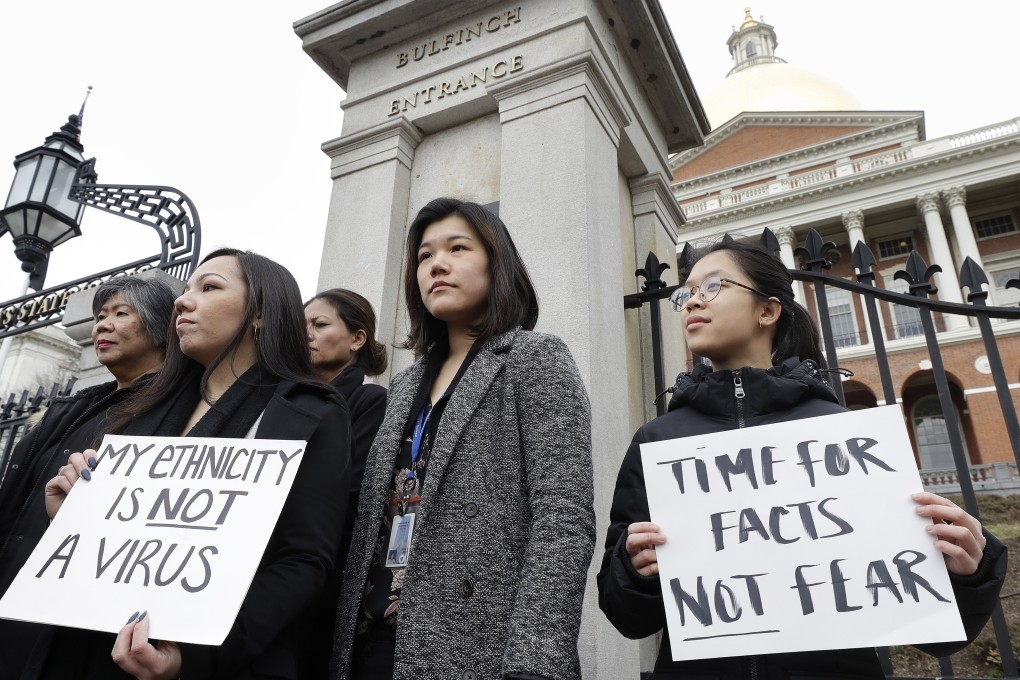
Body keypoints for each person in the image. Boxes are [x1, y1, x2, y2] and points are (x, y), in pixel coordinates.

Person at [597, 240, 1008, 679]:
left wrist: (969, 574)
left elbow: (937, 637)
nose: (692, 300)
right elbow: (627, 618)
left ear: (768, 311)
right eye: (686, 292)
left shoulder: (846, 438)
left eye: (714, 285)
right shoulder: (657, 443)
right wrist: (632, 569)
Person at [36, 248, 352, 680]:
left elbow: (303, 561)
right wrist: (73, 513)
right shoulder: (143, 409)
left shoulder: (308, 414)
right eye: (185, 290)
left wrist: (193, 658)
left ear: (260, 313)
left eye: (209, 288)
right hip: (89, 653)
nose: (183, 301)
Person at [330, 198, 595, 680]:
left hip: (482, 647)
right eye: (425, 256)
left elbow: (564, 516)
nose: (437, 265)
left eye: (457, 248)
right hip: (374, 641)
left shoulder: (534, 359)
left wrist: (534, 660)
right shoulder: (405, 384)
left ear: (498, 264)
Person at [0, 275, 177, 680]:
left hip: (77, 621)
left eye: (121, 314)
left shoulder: (174, 412)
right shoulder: (71, 409)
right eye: (100, 316)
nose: (102, 326)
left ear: (158, 326)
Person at [304, 288, 388, 676]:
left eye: (319, 325)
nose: (307, 334)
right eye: (301, 326)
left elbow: (353, 491)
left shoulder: (369, 400)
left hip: (323, 580)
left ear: (357, 338)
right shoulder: (286, 399)